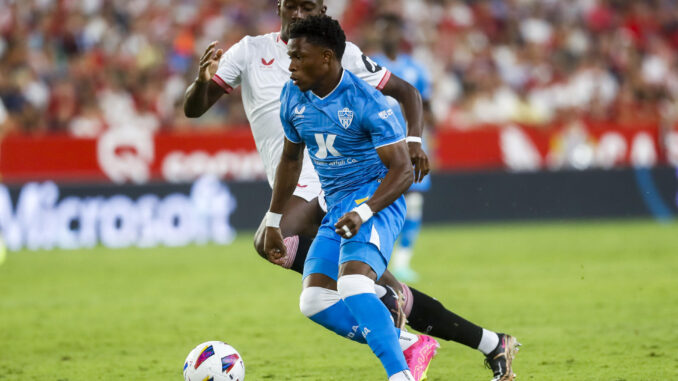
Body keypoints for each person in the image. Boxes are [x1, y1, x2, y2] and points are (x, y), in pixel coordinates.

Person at [184, 1, 520, 380]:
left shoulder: (343, 61)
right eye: (291, 5)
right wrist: (201, 81)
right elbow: (195, 111)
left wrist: (411, 140)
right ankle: (486, 342)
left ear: (322, 13)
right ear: (278, 6)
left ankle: (394, 333)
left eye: (307, 6)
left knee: (285, 248)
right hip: (300, 179)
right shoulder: (252, 54)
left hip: (337, 182)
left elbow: (406, 92)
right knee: (342, 290)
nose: (297, 13)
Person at [264, 15, 432, 380]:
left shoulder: (368, 102)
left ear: (326, 58)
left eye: (298, 57)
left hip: (376, 200)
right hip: (337, 204)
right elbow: (290, 159)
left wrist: (366, 212)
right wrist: (274, 220)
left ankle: (399, 375)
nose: (289, 66)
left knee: (353, 283)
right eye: (289, 56)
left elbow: (402, 171)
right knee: (313, 301)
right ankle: (405, 344)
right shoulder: (292, 94)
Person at [371, 14, 434, 283]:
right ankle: (377, 259)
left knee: (415, 202)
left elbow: (426, 107)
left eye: (393, 30)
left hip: (412, 142)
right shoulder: (370, 64)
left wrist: (427, 138)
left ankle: (403, 262)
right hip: (380, 146)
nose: (389, 35)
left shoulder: (416, 69)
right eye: (384, 30)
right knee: (378, 202)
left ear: (400, 34)